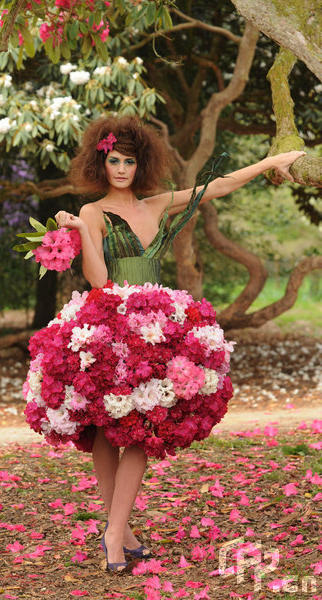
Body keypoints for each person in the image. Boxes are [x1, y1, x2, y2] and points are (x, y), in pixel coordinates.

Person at [54, 115, 305, 573]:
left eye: (130, 161)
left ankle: (114, 530)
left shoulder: (157, 204)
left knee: (143, 431)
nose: (123, 169)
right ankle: (119, 531)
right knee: (107, 430)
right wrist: (77, 232)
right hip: (109, 323)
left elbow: (217, 188)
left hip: (159, 326)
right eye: (114, 160)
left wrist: (273, 158)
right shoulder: (91, 212)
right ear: (101, 162)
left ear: (141, 163)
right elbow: (98, 278)